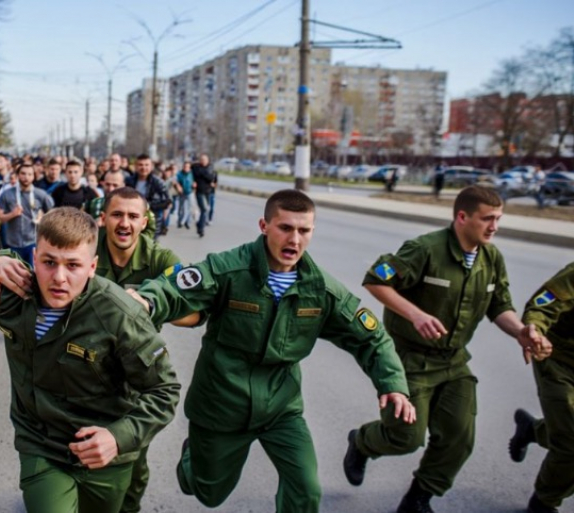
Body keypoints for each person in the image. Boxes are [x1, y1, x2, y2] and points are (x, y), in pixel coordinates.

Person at [129, 189, 414, 513]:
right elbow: (176, 286)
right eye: (285, 228)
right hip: (222, 403)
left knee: (306, 491)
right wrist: (148, 300)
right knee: (208, 493)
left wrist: (393, 385)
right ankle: (193, 457)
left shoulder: (320, 289)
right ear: (264, 226)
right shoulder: (229, 270)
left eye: (304, 230)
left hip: (281, 407)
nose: (294, 239)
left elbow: (371, 337)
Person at [342, 185, 551, 513]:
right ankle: (361, 442)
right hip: (409, 360)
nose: (494, 226)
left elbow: (500, 306)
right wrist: (416, 314)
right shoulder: (424, 249)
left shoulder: (491, 257)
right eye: (487, 219)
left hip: (454, 362)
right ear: (462, 217)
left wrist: (522, 332)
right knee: (405, 438)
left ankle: (418, 499)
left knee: (459, 438)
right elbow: (375, 280)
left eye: (498, 218)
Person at [0, 207, 181, 513]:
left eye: (73, 265)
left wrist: (117, 437)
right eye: (48, 262)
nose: (59, 277)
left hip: (104, 452)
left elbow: (165, 390)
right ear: (34, 259)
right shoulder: (10, 294)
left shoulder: (120, 315)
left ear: (93, 266)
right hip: (40, 443)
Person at [508, 263, 573, 513]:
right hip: (559, 360)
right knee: (571, 440)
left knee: (565, 431)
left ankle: (533, 431)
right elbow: (543, 305)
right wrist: (535, 331)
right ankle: (543, 503)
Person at [0, 162, 54, 267]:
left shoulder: (41, 194)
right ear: (18, 175)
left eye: (29, 174)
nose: (26, 177)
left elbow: (53, 216)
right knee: (15, 276)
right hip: (12, 244)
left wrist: (43, 218)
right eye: (23, 173)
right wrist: (12, 214)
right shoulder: (7, 194)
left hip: (33, 243)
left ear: (34, 176)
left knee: (33, 275)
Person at [126, 155, 170, 241]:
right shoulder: (129, 180)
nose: (143, 167)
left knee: (149, 247)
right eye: (141, 165)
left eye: (146, 165)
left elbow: (167, 201)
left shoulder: (158, 183)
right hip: (132, 220)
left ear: (151, 166)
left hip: (152, 221)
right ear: (136, 166)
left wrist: (147, 205)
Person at [191, 154, 215, 237]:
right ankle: (201, 229)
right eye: (202, 159)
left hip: (207, 192)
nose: (203, 161)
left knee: (205, 210)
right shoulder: (196, 167)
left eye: (205, 159)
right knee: (204, 209)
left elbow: (211, 178)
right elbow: (194, 173)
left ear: (208, 160)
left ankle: (199, 224)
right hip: (199, 192)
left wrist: (203, 174)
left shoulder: (210, 168)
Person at [176, 162, 195, 229]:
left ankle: (187, 222)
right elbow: (176, 181)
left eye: (187, 167)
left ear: (189, 168)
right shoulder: (179, 174)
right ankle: (180, 220)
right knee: (181, 208)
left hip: (190, 192)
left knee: (191, 207)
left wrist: (194, 184)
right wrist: (178, 186)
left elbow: (195, 181)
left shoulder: (192, 174)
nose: (186, 168)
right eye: (185, 166)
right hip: (182, 193)